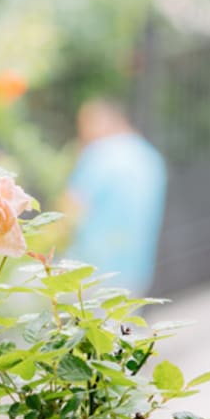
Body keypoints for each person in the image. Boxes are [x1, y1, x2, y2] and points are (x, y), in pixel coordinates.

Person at [63, 98, 168, 295]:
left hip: (90, 270)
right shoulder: (150, 157)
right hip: (135, 270)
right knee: (123, 324)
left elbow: (70, 211)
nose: (83, 135)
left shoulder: (99, 154)